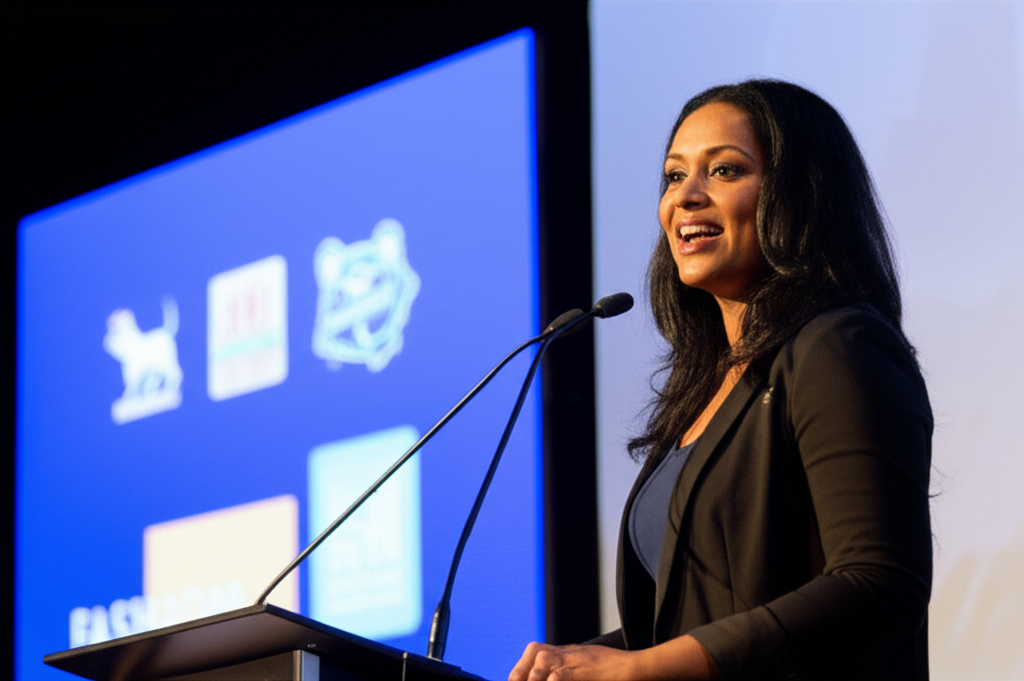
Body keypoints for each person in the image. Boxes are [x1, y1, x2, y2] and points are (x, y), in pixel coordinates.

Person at [510, 80, 932, 680]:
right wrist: (583, 661)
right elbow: (701, 617)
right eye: (674, 176)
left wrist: (638, 671)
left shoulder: (837, 347)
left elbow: (878, 582)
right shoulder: (705, 393)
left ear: (799, 194)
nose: (686, 198)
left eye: (725, 171)